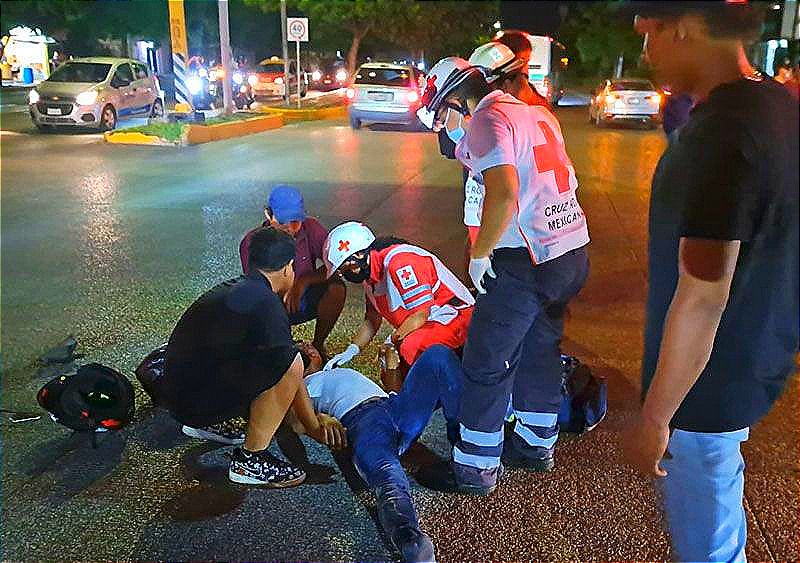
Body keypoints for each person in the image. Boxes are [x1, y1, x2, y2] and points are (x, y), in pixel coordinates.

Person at [624, 3, 798, 562]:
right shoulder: (776, 104)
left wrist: (657, 416)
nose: (646, 53)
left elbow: (703, 296)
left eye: (649, 34)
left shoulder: (721, 137)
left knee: (709, 548)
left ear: (685, 25)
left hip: (704, 389)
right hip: (755, 354)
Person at [417, 56, 590, 493]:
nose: (443, 129)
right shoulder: (535, 112)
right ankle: (535, 443)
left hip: (525, 259)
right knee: (540, 347)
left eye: (442, 116)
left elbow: (505, 192)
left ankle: (473, 468)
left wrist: (480, 252)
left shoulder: (485, 119)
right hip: (569, 250)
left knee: (486, 360)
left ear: (456, 99)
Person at [162, 227, 346, 487]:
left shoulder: (240, 288)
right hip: (193, 403)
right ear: (287, 269)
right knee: (292, 361)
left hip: (178, 396)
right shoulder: (267, 304)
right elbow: (288, 367)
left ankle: (211, 425)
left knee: (277, 357)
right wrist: (313, 425)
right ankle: (251, 460)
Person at [295, 342, 463, 562]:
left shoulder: (335, 370)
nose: (308, 347)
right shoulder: (303, 385)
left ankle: (470, 449)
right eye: (301, 349)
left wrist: (391, 369)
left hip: (394, 405)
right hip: (361, 422)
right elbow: (295, 422)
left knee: (438, 356)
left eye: (308, 345)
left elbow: (395, 391)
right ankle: (410, 541)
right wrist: (319, 420)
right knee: (387, 476)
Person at [320, 222, 474, 392]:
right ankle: (403, 403)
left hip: (458, 317)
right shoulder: (370, 277)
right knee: (389, 367)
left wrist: (391, 341)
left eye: (346, 268)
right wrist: (350, 351)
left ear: (359, 255)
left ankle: (443, 393)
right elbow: (372, 320)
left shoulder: (400, 262)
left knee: (408, 347)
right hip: (429, 323)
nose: (346, 275)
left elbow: (420, 314)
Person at [240, 185, 346, 360]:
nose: (289, 228)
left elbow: (336, 265)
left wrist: (302, 282)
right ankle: (284, 347)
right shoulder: (252, 243)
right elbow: (256, 287)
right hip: (273, 301)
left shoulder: (311, 228)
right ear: (268, 214)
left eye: (295, 222)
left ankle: (318, 344)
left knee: (337, 287)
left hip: (303, 297)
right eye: (282, 222)